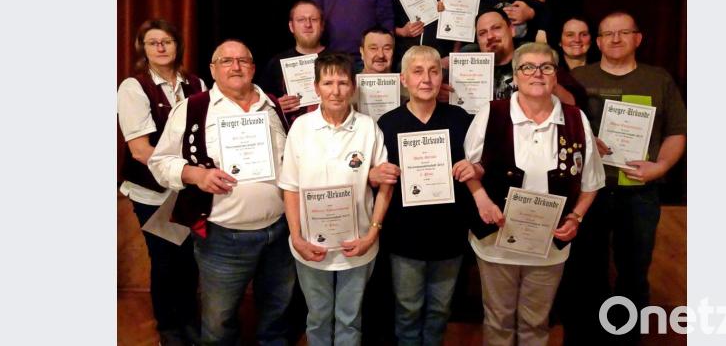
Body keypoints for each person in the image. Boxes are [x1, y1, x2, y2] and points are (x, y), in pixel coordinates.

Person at [148, 40, 295, 345]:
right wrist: (196, 174)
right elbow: (159, 162)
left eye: (243, 60)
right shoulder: (193, 108)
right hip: (223, 240)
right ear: (213, 69)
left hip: (280, 233)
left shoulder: (271, 105)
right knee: (219, 321)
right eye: (226, 61)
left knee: (277, 314)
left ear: (253, 68)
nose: (236, 66)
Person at [463, 42, 605, 345]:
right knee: (498, 320)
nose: (537, 73)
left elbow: (592, 183)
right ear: (515, 76)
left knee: (536, 323)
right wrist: (482, 198)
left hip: (549, 247)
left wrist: (577, 217)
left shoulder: (576, 118)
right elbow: (469, 173)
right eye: (528, 67)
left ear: (556, 76)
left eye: (546, 67)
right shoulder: (490, 113)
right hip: (496, 242)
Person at [567, 11, 686, 345]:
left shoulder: (658, 79)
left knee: (633, 272)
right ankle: (587, 338)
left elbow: (677, 132)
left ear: (638, 38)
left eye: (624, 32)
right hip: (590, 191)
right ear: (598, 41)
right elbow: (561, 127)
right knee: (587, 271)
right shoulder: (579, 79)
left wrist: (660, 167)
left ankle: (626, 337)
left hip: (640, 192)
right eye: (607, 34)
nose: (615, 39)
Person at [279, 53, 393, 346]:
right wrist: (296, 237)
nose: (336, 90)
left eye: (343, 82)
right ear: (316, 87)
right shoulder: (300, 128)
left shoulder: (369, 128)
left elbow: (385, 186)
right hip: (311, 246)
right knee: (317, 318)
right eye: (328, 82)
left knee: (350, 317)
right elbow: (290, 187)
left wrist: (372, 234)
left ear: (353, 87)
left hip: (357, 245)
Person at [374, 45, 479, 345]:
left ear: (441, 77)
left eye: (434, 71)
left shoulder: (460, 119)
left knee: (439, 310)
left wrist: (472, 168)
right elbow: (376, 177)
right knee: (407, 310)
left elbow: (477, 167)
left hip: (449, 236)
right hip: (404, 237)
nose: (426, 79)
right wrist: (376, 175)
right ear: (403, 79)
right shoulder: (387, 124)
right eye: (417, 72)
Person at [117, 19, 205, 345]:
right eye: (153, 42)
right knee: (166, 259)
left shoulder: (196, 83)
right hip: (153, 191)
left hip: (190, 187)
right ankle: (169, 328)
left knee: (189, 258)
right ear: (144, 48)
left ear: (177, 45)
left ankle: (189, 321)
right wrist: (182, 171)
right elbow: (140, 151)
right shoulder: (133, 87)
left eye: (166, 41)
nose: (161, 47)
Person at [448, 9, 580, 105]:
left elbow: (575, 101)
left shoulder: (535, 57)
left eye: (496, 28)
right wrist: (448, 95)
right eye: (482, 33)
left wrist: (546, 82)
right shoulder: (465, 68)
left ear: (512, 30)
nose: (490, 36)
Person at [256, 0, 327, 124]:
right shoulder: (276, 63)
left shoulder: (339, 60)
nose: (308, 24)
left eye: (314, 19)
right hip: (289, 137)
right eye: (301, 20)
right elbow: (258, 107)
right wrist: (276, 107)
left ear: (322, 26)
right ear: (291, 26)